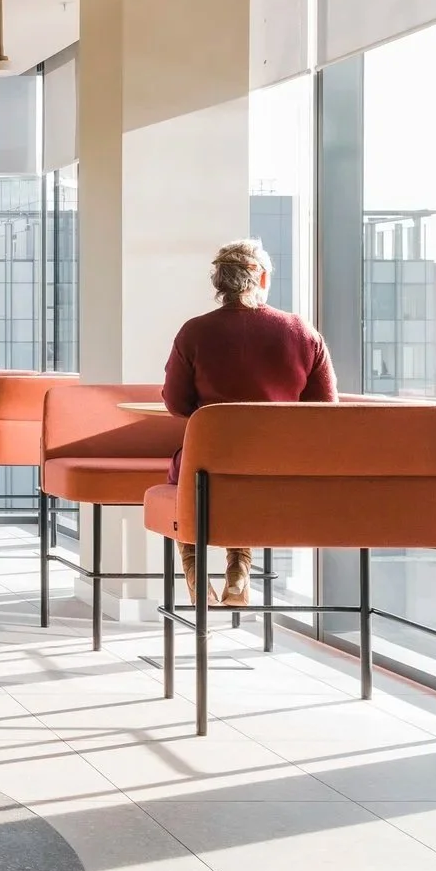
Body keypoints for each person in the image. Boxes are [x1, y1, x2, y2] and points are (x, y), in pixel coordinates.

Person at [162, 239, 336, 607]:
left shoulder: (194, 332)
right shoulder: (301, 332)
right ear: (263, 277)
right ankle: (239, 569)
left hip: (209, 465)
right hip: (280, 468)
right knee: (243, 474)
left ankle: (195, 571)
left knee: (191, 472)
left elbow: (176, 403)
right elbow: (325, 410)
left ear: (218, 283)